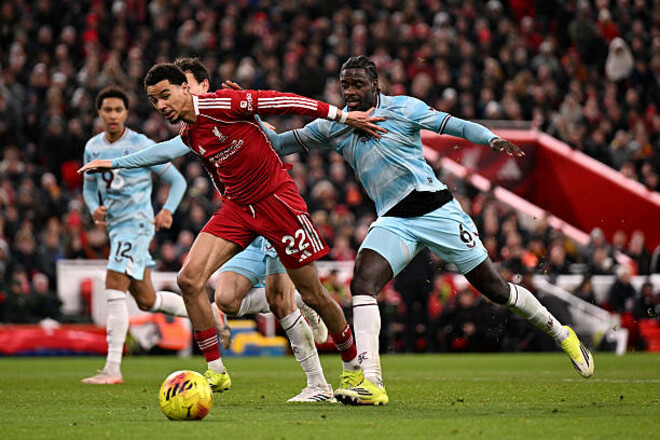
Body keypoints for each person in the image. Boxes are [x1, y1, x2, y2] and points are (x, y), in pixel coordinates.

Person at [263, 55, 594, 405]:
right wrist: (248, 115)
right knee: (362, 283)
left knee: (496, 290)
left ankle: (562, 334)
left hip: (436, 211)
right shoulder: (334, 125)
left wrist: (491, 139)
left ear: (375, 85)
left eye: (358, 84)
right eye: (345, 85)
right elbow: (280, 144)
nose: (350, 92)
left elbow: (453, 125)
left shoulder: (403, 108)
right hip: (395, 221)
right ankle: (372, 383)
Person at [78, 63, 385, 396]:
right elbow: (161, 151)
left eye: (166, 95)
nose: (161, 105)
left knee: (312, 294)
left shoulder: (224, 103)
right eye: (154, 101)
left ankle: (352, 369)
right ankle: (216, 371)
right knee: (189, 280)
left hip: (277, 203)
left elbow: (286, 101)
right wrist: (114, 163)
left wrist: (343, 116)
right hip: (238, 209)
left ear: (186, 88)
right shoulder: (189, 133)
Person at [174, 57, 332, 402]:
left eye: (187, 86)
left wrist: (256, 118)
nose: (181, 94)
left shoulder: (231, 107)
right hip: (241, 217)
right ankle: (302, 299)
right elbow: (175, 155)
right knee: (226, 301)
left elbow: (275, 139)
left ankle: (318, 384)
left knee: (280, 301)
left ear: (203, 85)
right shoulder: (190, 130)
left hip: (273, 210)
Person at [81, 85, 188, 384]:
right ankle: (208, 312)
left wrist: (167, 210)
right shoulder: (92, 147)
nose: (113, 115)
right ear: (99, 113)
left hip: (138, 225)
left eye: (118, 110)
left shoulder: (141, 144)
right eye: (108, 110)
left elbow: (178, 181)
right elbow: (89, 187)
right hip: (116, 228)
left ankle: (112, 369)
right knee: (147, 300)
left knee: (114, 282)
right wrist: (93, 208)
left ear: (126, 113)